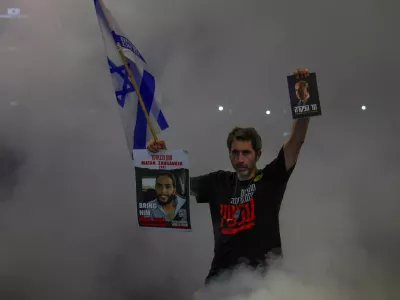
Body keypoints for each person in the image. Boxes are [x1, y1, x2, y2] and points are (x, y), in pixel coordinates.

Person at [147, 68, 311, 285]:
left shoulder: (272, 177)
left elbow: (296, 140)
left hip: (265, 284)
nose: (240, 159)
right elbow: (172, 186)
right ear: (229, 154)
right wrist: (156, 157)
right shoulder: (218, 181)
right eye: (235, 153)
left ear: (257, 155)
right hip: (220, 283)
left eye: (246, 153)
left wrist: (305, 100)